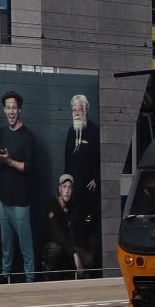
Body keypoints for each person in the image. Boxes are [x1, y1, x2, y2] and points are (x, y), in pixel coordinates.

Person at [0, 90, 37, 283]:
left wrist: (9, 161)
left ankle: (31, 280)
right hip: (3, 202)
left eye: (14, 108)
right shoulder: (0, 134)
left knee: (26, 247)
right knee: (6, 245)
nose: (11, 111)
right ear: (4, 110)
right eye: (8, 107)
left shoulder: (27, 136)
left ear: (19, 110)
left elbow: (29, 167)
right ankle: (5, 277)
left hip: (20, 203)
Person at [63, 94, 101, 276]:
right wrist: (66, 184)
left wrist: (98, 178)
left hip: (90, 193)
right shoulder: (71, 132)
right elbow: (66, 160)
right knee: (75, 230)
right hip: (74, 193)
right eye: (74, 110)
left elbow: (105, 159)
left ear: (86, 110)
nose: (77, 113)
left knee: (91, 230)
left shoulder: (95, 131)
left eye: (79, 110)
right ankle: (79, 269)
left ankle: (93, 268)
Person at [43, 174, 92, 279]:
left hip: (67, 244)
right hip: (52, 243)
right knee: (56, 248)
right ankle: (49, 272)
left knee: (88, 259)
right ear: (60, 188)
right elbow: (55, 233)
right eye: (64, 187)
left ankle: (71, 274)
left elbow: (73, 232)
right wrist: (74, 253)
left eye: (70, 187)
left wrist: (76, 251)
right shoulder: (52, 204)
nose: (67, 190)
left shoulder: (73, 207)